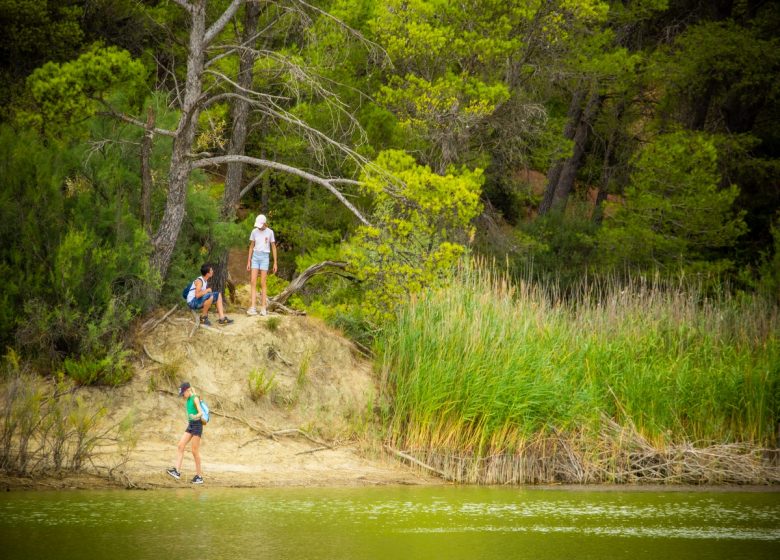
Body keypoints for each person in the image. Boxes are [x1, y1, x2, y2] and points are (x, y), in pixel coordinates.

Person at [166, 382, 205, 484]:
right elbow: (193, 392)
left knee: (194, 451)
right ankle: (177, 472)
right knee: (180, 445)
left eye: (183, 393)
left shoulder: (195, 398)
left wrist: (195, 416)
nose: (182, 396)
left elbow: (201, 413)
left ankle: (199, 477)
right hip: (191, 425)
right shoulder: (189, 398)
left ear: (187, 390)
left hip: (197, 425)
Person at [246, 214, 277, 316]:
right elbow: (251, 246)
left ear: (264, 223)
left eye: (260, 224)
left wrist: (275, 263)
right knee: (253, 281)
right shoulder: (254, 231)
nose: (258, 226)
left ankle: (263, 308)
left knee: (263, 282)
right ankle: (253, 307)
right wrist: (249, 261)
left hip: (265, 257)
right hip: (255, 257)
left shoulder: (270, 232)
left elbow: (273, 247)